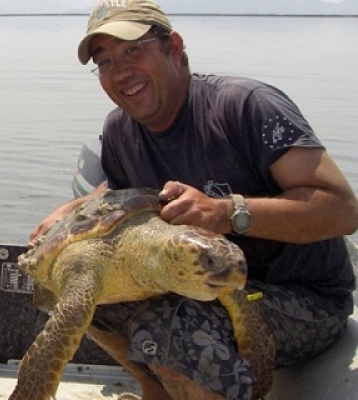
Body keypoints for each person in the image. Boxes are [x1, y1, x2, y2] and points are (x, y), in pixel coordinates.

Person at [30, 1, 358, 399]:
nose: (121, 71)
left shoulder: (245, 106)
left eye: (134, 50)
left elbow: (342, 209)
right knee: (82, 297)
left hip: (298, 297)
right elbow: (115, 191)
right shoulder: (119, 130)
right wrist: (69, 212)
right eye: (106, 61)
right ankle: (155, 391)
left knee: (173, 324)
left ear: (173, 46)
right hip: (198, 284)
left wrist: (228, 213)